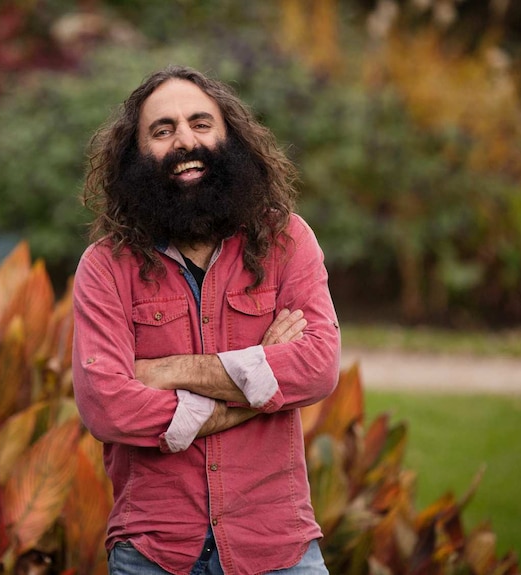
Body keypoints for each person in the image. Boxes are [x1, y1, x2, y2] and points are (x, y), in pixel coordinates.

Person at [71, 65, 341, 575]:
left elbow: (318, 366)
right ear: (135, 155)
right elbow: (106, 405)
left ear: (229, 137)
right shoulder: (105, 268)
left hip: (277, 544)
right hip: (154, 551)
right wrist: (256, 385)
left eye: (200, 123)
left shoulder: (287, 242)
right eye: (162, 129)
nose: (184, 141)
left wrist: (165, 370)